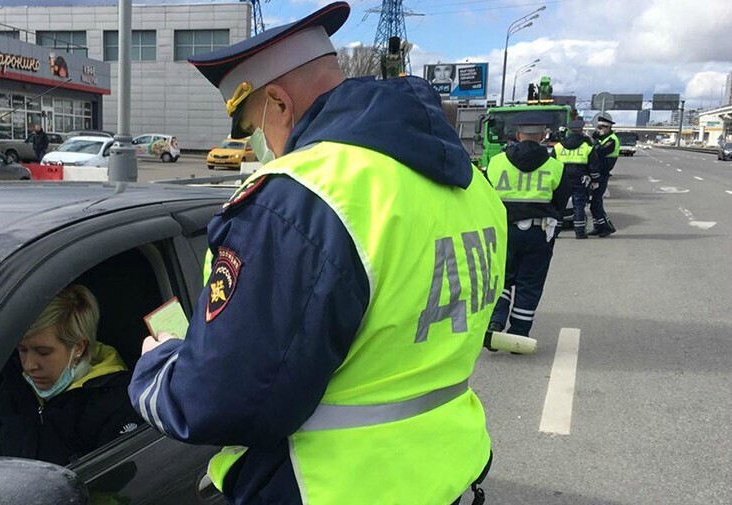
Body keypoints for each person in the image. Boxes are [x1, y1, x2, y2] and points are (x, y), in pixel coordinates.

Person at [126, 3, 506, 504]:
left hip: (331, 487)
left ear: (279, 105)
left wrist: (158, 369)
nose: (255, 145)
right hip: (444, 472)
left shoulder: (301, 198)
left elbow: (222, 399)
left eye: (249, 127)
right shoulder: (471, 187)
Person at [0, 284, 142, 468]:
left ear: (78, 348)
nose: (29, 366)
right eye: (22, 350)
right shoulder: (15, 385)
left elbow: (111, 486)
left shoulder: (113, 404)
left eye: (43, 352)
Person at [486, 112, 569, 340]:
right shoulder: (556, 167)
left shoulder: (496, 162)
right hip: (538, 233)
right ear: (543, 136)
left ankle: (495, 320)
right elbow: (560, 203)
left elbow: (485, 198)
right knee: (530, 283)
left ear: (517, 134)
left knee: (500, 277)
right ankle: (519, 334)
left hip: (503, 232)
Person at [552, 119, 599, 239]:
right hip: (580, 178)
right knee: (578, 205)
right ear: (581, 131)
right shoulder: (587, 146)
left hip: (562, 178)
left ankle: (555, 232)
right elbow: (593, 165)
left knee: (560, 205)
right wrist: (595, 180)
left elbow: (551, 163)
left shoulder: (558, 146)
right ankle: (580, 232)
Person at [590, 117, 618, 236]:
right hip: (597, 173)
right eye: (599, 127)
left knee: (596, 202)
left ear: (609, 128)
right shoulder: (603, 139)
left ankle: (607, 227)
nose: (600, 130)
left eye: (602, 127)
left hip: (602, 173)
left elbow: (599, 152)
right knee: (594, 203)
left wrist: (595, 141)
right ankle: (598, 227)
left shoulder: (611, 140)